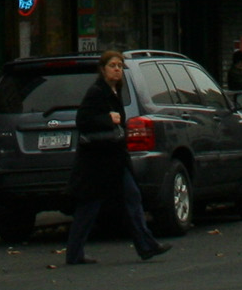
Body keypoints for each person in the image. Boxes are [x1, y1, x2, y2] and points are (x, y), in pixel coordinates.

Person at [64, 51, 170, 266]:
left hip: (114, 160)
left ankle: (146, 245)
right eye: (113, 65)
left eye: (120, 66)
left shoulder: (115, 90)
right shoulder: (96, 91)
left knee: (132, 198)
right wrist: (107, 118)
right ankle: (74, 254)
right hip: (97, 163)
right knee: (89, 208)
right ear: (103, 69)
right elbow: (82, 120)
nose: (117, 69)